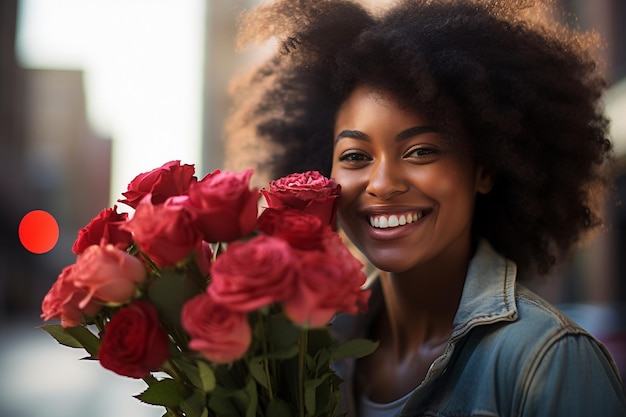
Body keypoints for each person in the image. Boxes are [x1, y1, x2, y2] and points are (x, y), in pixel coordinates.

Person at [225, 0, 626, 415]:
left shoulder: (548, 362)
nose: (382, 184)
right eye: (355, 156)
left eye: (421, 151)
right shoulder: (308, 350)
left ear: (485, 168)